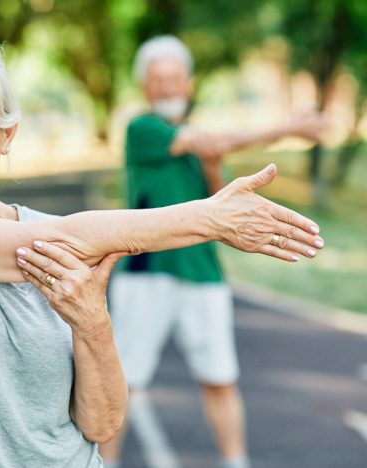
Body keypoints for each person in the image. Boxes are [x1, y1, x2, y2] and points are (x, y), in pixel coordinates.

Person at [0, 33, 324, 467]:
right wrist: (209, 219)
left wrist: (93, 323)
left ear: (7, 135)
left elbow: (100, 424)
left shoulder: (59, 238)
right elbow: (65, 241)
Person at [98, 35, 328, 468]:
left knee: (220, 380)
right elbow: (204, 141)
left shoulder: (206, 143)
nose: (166, 87)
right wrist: (286, 128)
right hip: (147, 274)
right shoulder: (142, 130)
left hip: (203, 275)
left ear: (189, 83)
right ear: (145, 86)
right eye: (157, 79)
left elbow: (217, 191)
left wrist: (213, 157)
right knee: (123, 384)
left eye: (174, 78)